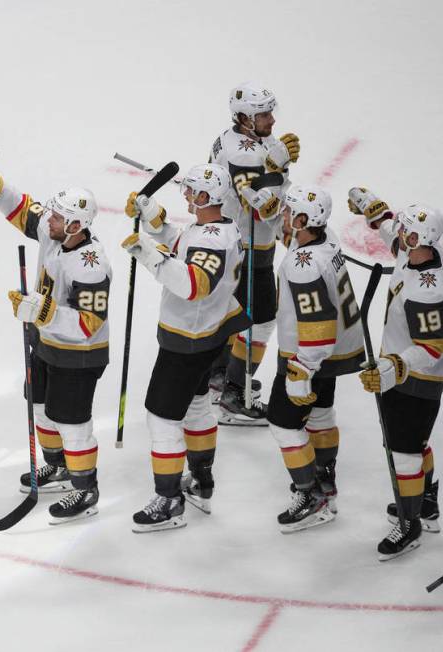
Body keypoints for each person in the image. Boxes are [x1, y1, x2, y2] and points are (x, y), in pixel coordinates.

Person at [0, 153, 111, 524]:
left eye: (57, 217)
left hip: (79, 354)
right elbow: (22, 208)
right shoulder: (56, 232)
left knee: (72, 423)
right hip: (45, 344)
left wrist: (42, 313)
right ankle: (56, 467)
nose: (49, 220)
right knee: (40, 407)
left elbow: (90, 323)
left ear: (75, 225)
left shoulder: (92, 264)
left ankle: (85, 488)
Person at [121, 164, 249, 531]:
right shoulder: (218, 228)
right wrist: (152, 217)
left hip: (188, 340)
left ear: (209, 197)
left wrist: (147, 253)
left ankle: (169, 500)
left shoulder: (212, 238)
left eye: (194, 191)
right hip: (209, 333)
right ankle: (202, 482)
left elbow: (194, 284)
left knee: (161, 417)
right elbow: (184, 243)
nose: (188, 195)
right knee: (195, 405)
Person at [351, 188, 443, 559]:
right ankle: (425, 503)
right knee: (414, 444)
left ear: (419, 239)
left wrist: (393, 367)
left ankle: (410, 523)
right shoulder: (422, 253)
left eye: (406, 232)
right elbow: (393, 238)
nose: (400, 234)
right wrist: (375, 213)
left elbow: (430, 349)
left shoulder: (429, 290)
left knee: (404, 451)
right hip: (405, 370)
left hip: (416, 378)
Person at [266, 185, 364, 533]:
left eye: (290, 212)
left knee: (282, 421)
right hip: (338, 350)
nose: (284, 216)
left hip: (309, 352)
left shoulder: (302, 265)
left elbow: (317, 324)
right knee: (321, 413)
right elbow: (287, 233)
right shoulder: (329, 240)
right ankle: (325, 477)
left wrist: (302, 369)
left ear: (305, 219)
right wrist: (268, 205)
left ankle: (311, 495)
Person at [209, 82, 301, 425]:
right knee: (261, 321)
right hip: (249, 248)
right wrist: (275, 169)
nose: (272, 120)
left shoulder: (232, 138)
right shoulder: (244, 154)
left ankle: (219, 373)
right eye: (264, 114)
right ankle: (235, 391)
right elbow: (261, 205)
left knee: (229, 311)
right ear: (245, 117)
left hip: (233, 241)